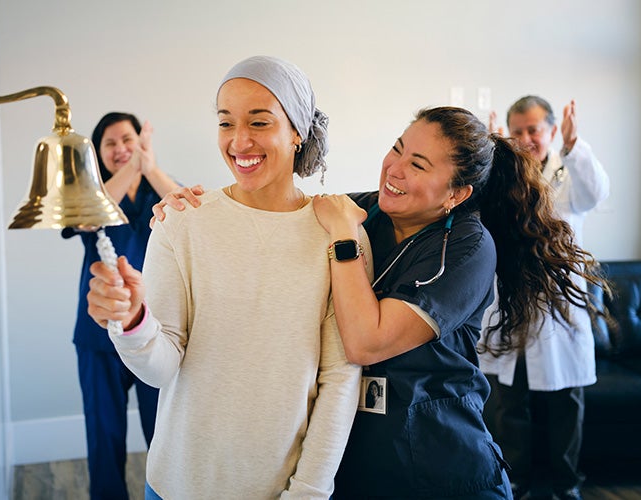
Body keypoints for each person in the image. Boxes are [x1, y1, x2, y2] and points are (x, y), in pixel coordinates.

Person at [153, 106, 606, 499]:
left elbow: (365, 342)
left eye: (419, 164)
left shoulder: (469, 247)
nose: (395, 168)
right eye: (397, 148)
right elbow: (274, 214)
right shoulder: (365, 210)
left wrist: (346, 238)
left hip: (439, 463)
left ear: (456, 194)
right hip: (358, 463)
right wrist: (189, 206)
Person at [86, 56, 365, 499]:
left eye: (259, 122)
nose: (239, 142)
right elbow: (160, 368)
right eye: (225, 123)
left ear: (297, 131)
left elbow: (339, 378)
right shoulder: (183, 219)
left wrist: (308, 492)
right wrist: (133, 318)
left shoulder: (337, 233)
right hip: (175, 483)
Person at [480, 96, 610, 500]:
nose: (525, 138)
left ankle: (565, 485)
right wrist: (492, 155)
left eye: (533, 129)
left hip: (557, 312)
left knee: (564, 407)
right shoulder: (504, 175)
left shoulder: (568, 173)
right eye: (516, 131)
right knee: (507, 404)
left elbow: (596, 193)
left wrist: (574, 147)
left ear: (552, 130)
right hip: (511, 305)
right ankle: (512, 481)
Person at [61, 111, 180, 500]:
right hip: (98, 337)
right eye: (110, 143)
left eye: (128, 140)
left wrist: (151, 167)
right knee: (103, 435)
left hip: (153, 333)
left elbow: (192, 214)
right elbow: (86, 216)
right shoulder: (88, 193)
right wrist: (134, 166)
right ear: (97, 153)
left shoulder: (158, 189)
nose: (121, 149)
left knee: (162, 434)